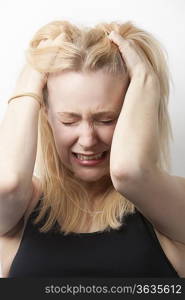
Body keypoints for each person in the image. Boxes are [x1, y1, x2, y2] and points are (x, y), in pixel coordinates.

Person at [0, 20, 184, 278]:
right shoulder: (20, 207)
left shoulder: (175, 204)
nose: (87, 140)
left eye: (106, 119)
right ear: (44, 113)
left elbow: (130, 172)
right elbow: (7, 184)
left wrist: (145, 78)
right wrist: (32, 75)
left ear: (133, 112)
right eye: (69, 120)